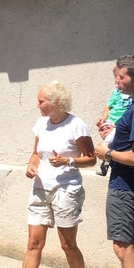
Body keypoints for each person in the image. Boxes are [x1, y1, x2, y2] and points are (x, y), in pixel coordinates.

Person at [23, 80, 95, 268]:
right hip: (40, 189)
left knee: (68, 245)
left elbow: (92, 159)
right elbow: (36, 154)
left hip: (66, 190)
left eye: (41, 101)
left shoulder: (76, 125)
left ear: (56, 102)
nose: (37, 105)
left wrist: (68, 160)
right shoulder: (41, 124)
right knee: (33, 243)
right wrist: (31, 166)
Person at [94, 54, 134, 268]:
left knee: (122, 246)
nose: (116, 81)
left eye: (121, 77)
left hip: (125, 187)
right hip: (124, 184)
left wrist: (106, 153)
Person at [95, 72, 132, 175]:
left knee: (113, 141)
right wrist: (103, 118)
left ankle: (106, 158)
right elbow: (108, 106)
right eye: (116, 77)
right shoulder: (116, 93)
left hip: (122, 123)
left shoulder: (130, 95)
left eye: (121, 77)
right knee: (110, 141)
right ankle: (105, 160)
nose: (117, 80)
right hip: (112, 122)